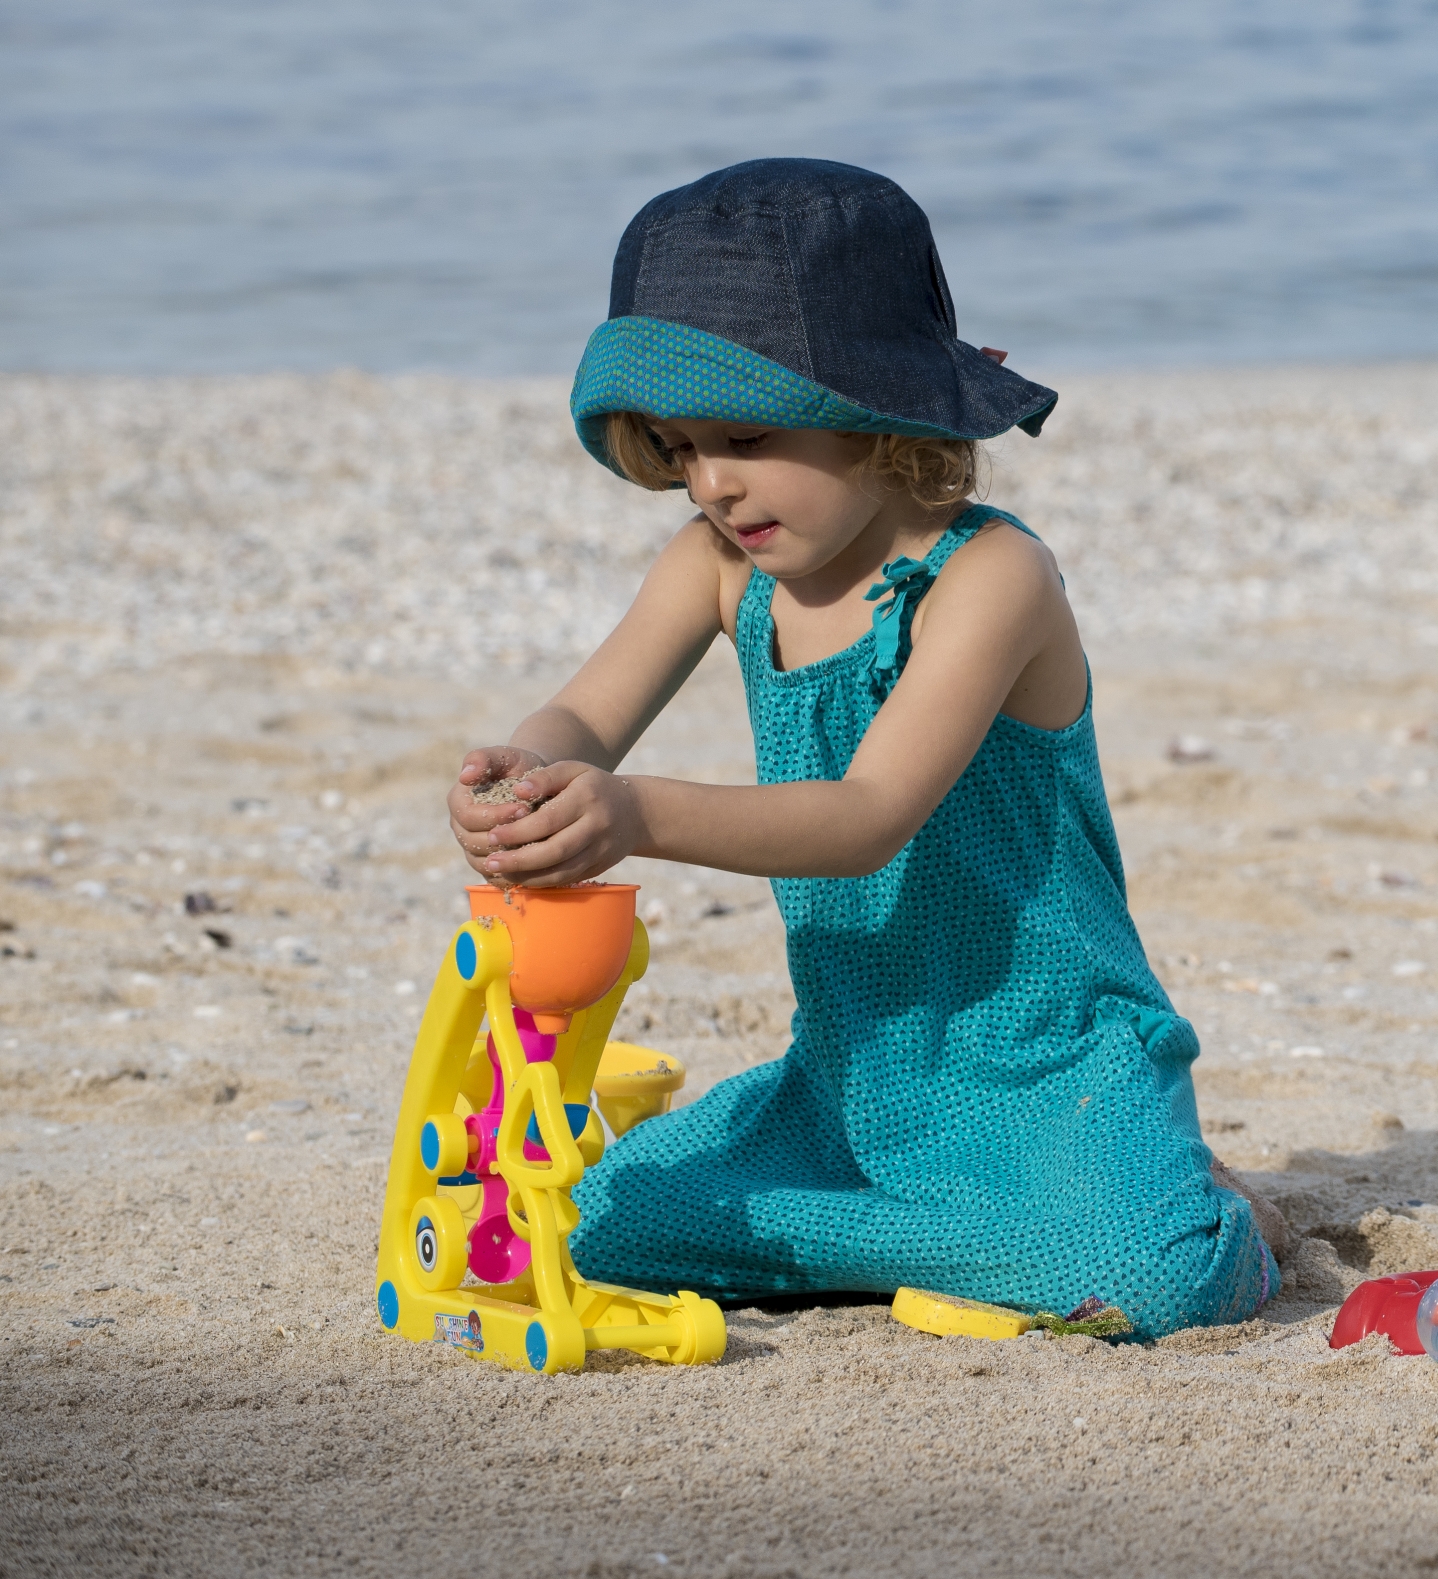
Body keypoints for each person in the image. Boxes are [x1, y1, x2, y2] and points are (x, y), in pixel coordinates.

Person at [445, 157, 1278, 1336]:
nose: (714, 484)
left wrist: (632, 814)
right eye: (680, 447)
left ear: (876, 410)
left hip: (1052, 1069)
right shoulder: (713, 565)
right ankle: (955, 1239)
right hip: (853, 1077)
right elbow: (584, 717)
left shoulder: (989, 576)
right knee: (599, 1222)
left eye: (744, 431)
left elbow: (867, 811)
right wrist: (518, 775)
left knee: (1158, 1283)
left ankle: (1209, 1210)